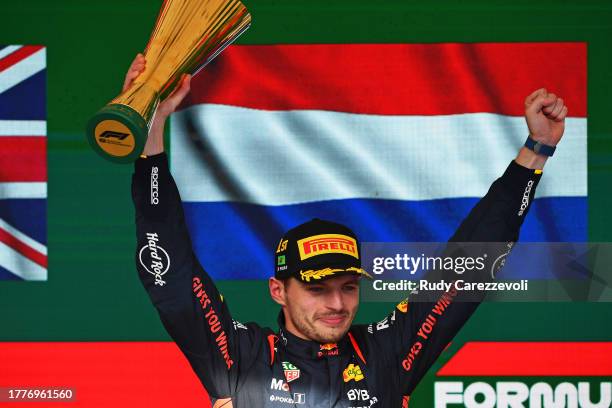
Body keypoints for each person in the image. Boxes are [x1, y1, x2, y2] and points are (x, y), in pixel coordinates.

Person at [127, 54, 568, 407]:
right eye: (318, 289)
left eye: (349, 287)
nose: (337, 304)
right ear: (278, 290)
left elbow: (466, 269)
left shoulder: (387, 354)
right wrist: (152, 126)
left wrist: (537, 151)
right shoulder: (239, 358)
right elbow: (168, 270)